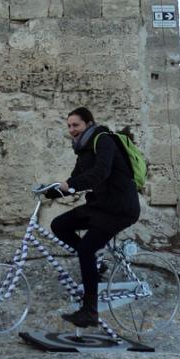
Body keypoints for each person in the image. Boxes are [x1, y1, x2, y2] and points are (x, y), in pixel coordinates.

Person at [44, 107, 140, 328]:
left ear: (88, 124)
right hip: (100, 206)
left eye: (75, 125)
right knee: (59, 225)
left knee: (86, 248)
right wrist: (50, 191)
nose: (71, 130)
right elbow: (76, 178)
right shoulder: (83, 149)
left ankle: (90, 311)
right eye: (68, 126)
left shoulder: (103, 140)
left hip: (120, 208)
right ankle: (95, 267)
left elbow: (101, 173)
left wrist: (71, 185)